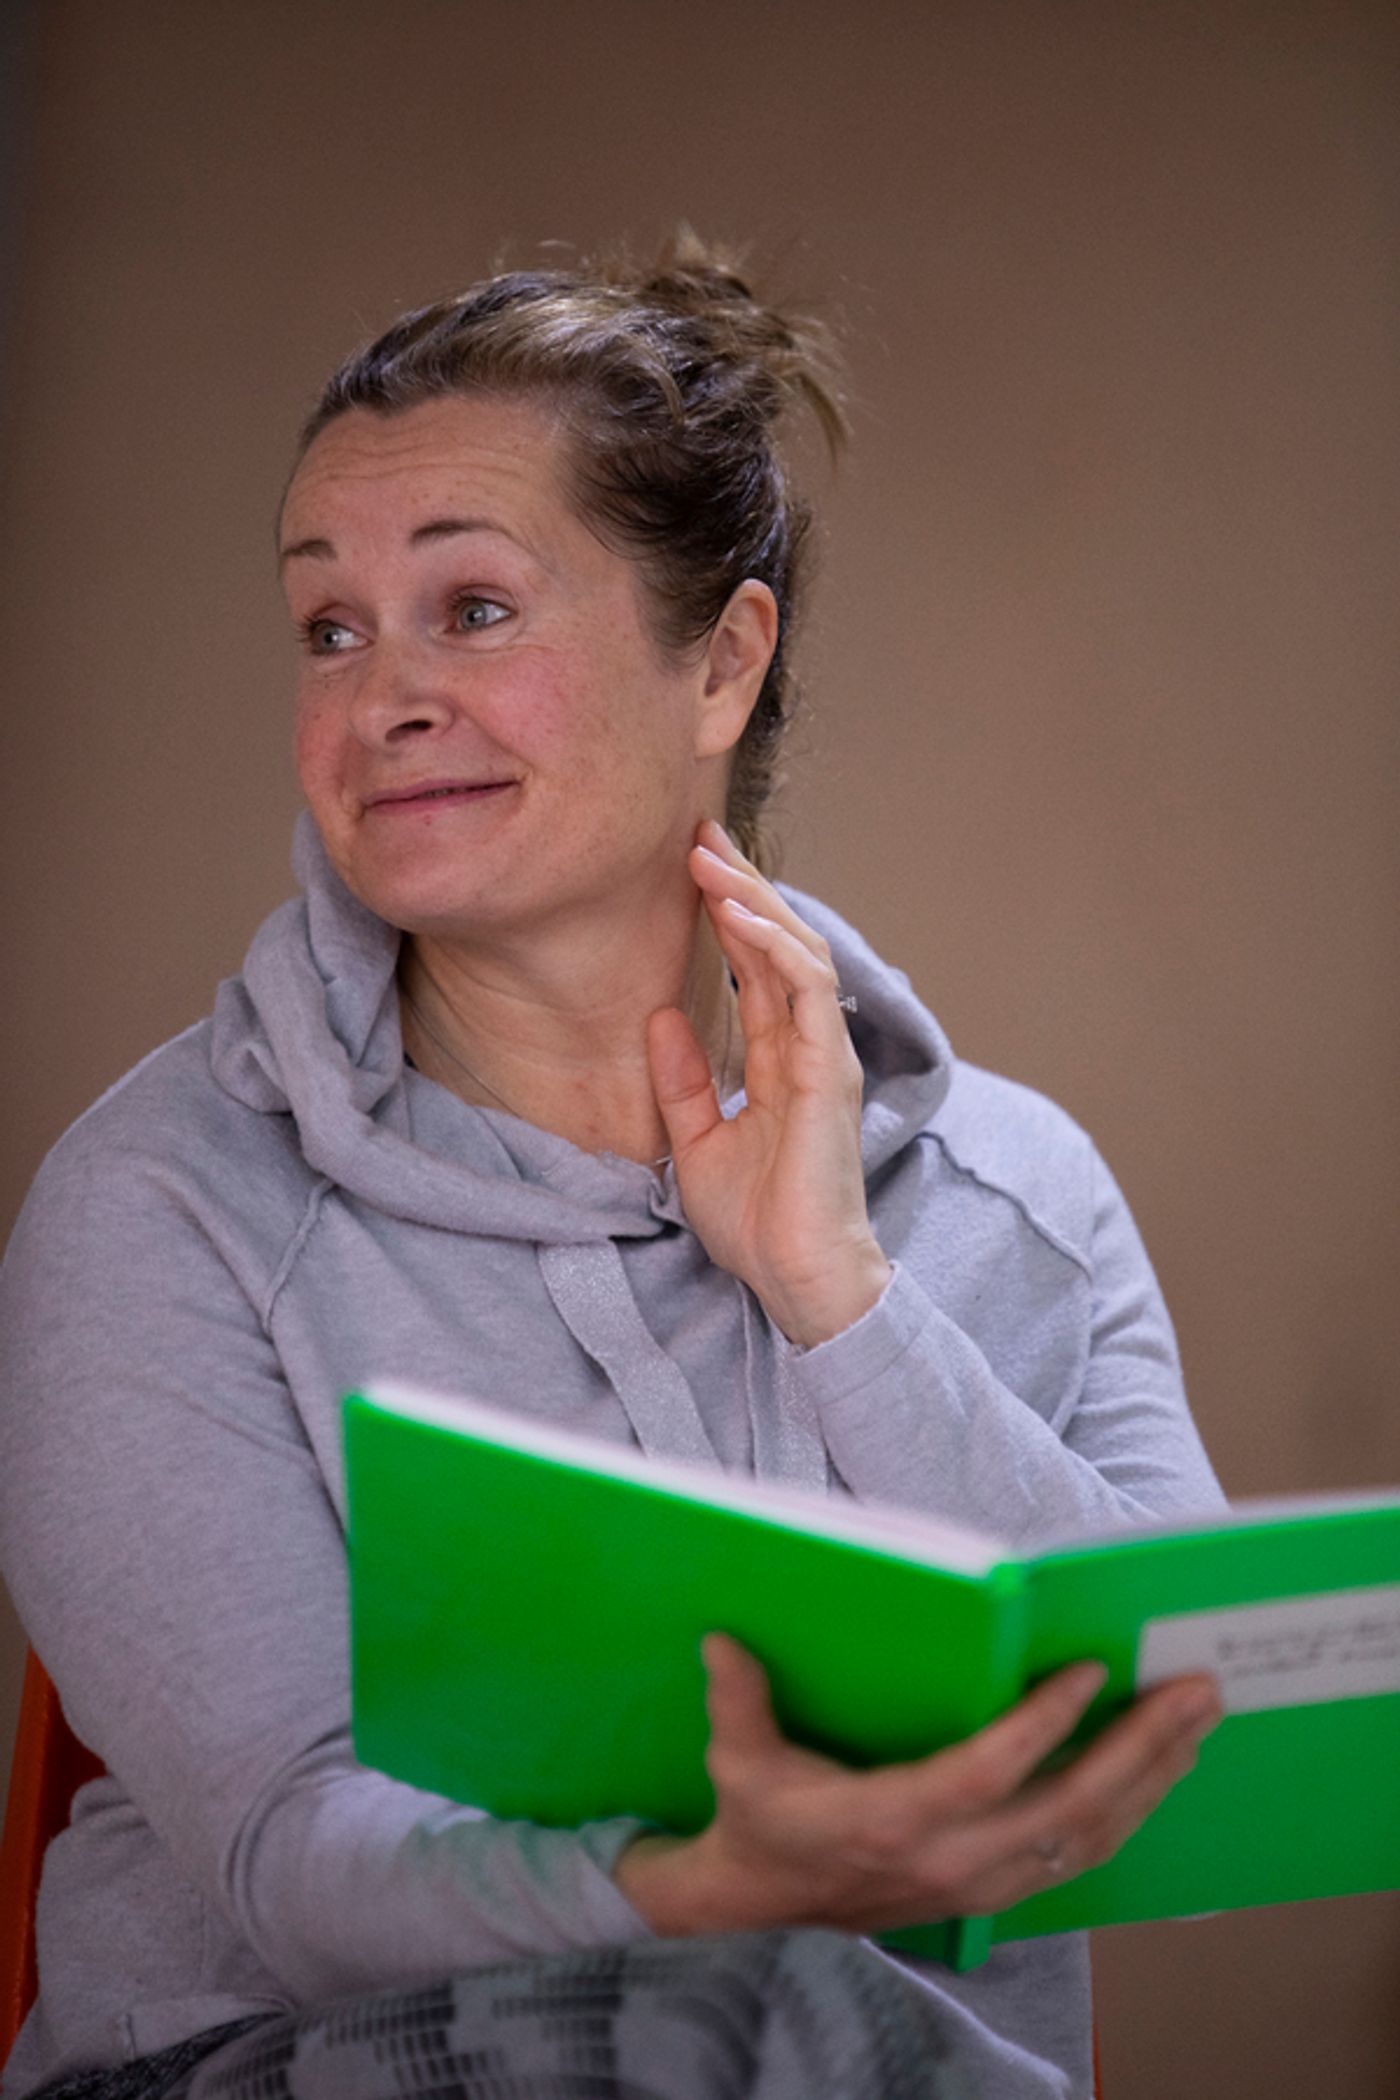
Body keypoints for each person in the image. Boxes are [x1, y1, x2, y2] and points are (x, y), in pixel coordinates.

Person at [0, 233, 1225, 2100]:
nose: (384, 697)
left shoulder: (1017, 1196)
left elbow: (1187, 1735)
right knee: (761, 2002)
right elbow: (294, 1862)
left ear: (722, 662)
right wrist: (702, 1893)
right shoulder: (162, 1205)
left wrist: (839, 1299)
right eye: (331, 628)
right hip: (255, 2060)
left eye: (475, 607)